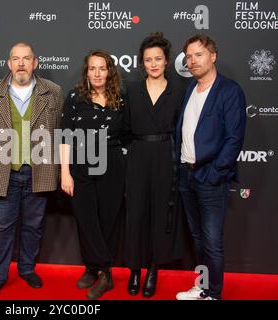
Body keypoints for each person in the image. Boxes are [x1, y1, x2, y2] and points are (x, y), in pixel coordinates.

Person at [0, 42, 62, 299]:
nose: (21, 64)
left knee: (33, 226)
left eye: (26, 59)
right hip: (4, 171)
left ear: (35, 63)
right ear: (9, 63)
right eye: (16, 59)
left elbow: (59, 129)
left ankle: (27, 270)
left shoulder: (53, 91)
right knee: (3, 227)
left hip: (39, 170)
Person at [175, 34, 246, 300]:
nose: (193, 61)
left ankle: (213, 294)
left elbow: (234, 139)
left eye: (199, 54)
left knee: (212, 241)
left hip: (210, 177)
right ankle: (202, 286)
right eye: (189, 56)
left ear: (213, 56)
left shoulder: (229, 91)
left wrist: (215, 173)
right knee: (198, 239)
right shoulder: (189, 91)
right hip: (186, 175)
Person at [124, 32, 187, 298]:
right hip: (138, 155)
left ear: (167, 61)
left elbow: (183, 129)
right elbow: (125, 127)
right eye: (148, 59)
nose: (153, 64)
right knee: (136, 214)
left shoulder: (179, 90)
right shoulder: (132, 90)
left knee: (160, 214)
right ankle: (135, 270)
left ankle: (153, 269)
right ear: (142, 62)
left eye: (158, 59)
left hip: (165, 155)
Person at [60, 49, 126, 300]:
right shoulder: (75, 97)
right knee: (86, 218)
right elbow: (65, 135)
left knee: (108, 219)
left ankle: (97, 270)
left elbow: (128, 134)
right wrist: (64, 173)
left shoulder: (120, 98)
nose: (97, 73)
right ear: (86, 72)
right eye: (92, 68)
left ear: (109, 71)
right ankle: (101, 269)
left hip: (112, 163)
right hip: (81, 162)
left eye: (102, 68)